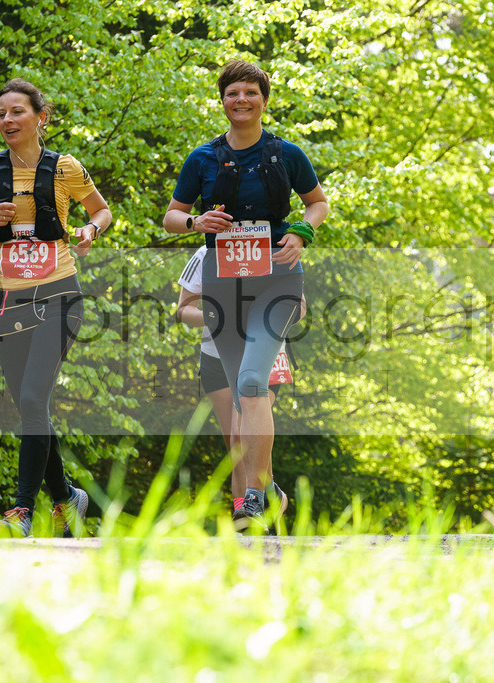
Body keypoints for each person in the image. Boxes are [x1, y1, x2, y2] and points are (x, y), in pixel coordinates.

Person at [163, 60, 328, 531]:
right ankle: (270, 489)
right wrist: (195, 223)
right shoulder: (202, 159)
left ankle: (253, 495)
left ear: (264, 100)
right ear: (223, 101)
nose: (241, 100)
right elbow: (172, 216)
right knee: (242, 395)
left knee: (254, 383)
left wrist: (300, 232)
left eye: (250, 93)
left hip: (276, 280)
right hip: (222, 286)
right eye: (232, 93)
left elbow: (317, 203)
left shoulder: (287, 153)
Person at [0, 78, 112, 538]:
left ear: (41, 117)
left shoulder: (65, 168)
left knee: (34, 398)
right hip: (4, 297)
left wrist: (89, 232)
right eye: (0, 113)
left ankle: (20, 513)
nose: (6, 120)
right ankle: (66, 498)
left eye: (16, 111)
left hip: (58, 292)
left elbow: (102, 211)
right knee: (27, 404)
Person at [176, 246, 306, 514]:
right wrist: (215, 318)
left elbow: (300, 307)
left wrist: (263, 316)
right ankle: (257, 506)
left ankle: (252, 509)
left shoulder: (272, 245)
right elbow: (182, 310)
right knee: (236, 448)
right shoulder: (206, 253)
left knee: (241, 436)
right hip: (216, 358)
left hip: (266, 354)